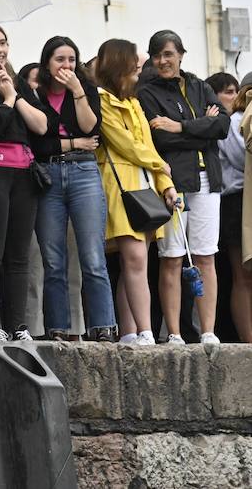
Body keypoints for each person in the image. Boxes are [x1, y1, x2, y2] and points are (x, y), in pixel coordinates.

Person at [19, 36, 115, 341]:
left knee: (93, 256)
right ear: (48, 62)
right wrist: (72, 142)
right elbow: (40, 140)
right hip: (49, 172)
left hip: (84, 171)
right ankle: (57, 327)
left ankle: (102, 326)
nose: (67, 66)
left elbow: (91, 128)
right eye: (60, 59)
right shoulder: (37, 94)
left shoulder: (85, 90)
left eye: (72, 59)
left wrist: (77, 91)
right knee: (53, 258)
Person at [138, 30, 228, 344]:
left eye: (168, 54)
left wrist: (180, 126)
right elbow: (158, 138)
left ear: (180, 55)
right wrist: (202, 127)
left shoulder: (200, 86)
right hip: (172, 180)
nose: (162, 61)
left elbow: (223, 125)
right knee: (172, 256)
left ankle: (208, 331)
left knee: (205, 256)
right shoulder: (146, 92)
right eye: (157, 55)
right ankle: (174, 332)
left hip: (208, 179)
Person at [93, 39, 179, 346]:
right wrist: (161, 166)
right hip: (118, 184)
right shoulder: (101, 100)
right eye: (135, 66)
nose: (139, 71)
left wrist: (165, 183)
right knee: (134, 258)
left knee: (135, 260)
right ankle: (144, 331)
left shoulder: (133, 102)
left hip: (142, 184)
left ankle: (131, 332)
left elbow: (146, 146)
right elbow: (124, 144)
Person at [0, 24, 46, 341]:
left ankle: (18, 324)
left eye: (3, 43)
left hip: (24, 174)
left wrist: (13, 95)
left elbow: (41, 126)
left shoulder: (16, 85)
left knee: (19, 254)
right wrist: (5, 100)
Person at [214, 77, 251, 342]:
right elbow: (242, 159)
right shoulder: (234, 121)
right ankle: (248, 340)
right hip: (237, 200)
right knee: (242, 274)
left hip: (243, 199)